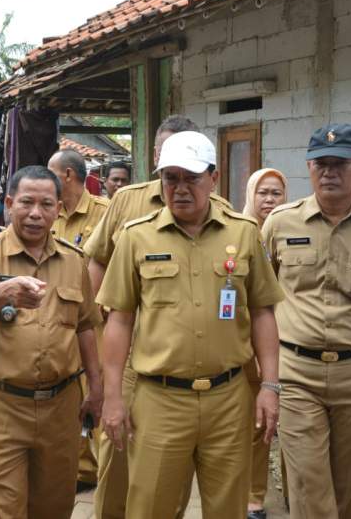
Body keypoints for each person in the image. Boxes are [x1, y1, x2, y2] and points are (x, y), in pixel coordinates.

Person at [97, 131, 284, 518]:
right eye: (171, 178)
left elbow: (264, 311)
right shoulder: (136, 237)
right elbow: (119, 320)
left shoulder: (243, 233)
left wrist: (269, 385)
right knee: (150, 507)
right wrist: (112, 396)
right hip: (159, 400)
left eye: (191, 178)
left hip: (229, 398)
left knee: (228, 507)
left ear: (213, 178)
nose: (180, 189)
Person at [84, 115, 232, 519]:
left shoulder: (221, 212)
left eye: (191, 171)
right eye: (168, 165)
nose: (180, 182)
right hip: (129, 360)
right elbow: (97, 263)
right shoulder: (126, 202)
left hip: (178, 365)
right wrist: (100, 320)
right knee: (117, 462)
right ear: (156, 156)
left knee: (164, 472)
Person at [262, 123, 351, 519]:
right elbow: (260, 297)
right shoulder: (279, 223)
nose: (329, 172)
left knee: (347, 487)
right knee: (310, 486)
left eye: (340, 163)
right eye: (321, 163)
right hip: (297, 373)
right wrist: (267, 379)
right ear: (308, 168)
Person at [0, 165, 103, 519]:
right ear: (8, 203)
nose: (36, 213)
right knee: (4, 508)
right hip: (0, 406)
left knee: (54, 506)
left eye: (46, 204)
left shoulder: (73, 260)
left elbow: (85, 326)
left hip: (61, 406)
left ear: (58, 209)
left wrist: (97, 387)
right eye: (26, 202)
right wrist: (4, 291)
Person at [47, 148, 109, 491]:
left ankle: (109, 469)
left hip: (95, 322)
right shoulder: (49, 213)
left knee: (96, 387)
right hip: (56, 320)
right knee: (69, 392)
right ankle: (83, 468)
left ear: (67, 175)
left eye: (51, 172)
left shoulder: (104, 212)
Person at [242, 168, 288, 519]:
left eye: (276, 193)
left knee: (263, 425)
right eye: (263, 193)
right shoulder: (235, 233)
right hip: (237, 343)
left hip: (277, 342)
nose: (269, 200)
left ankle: (256, 495)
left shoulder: (290, 232)